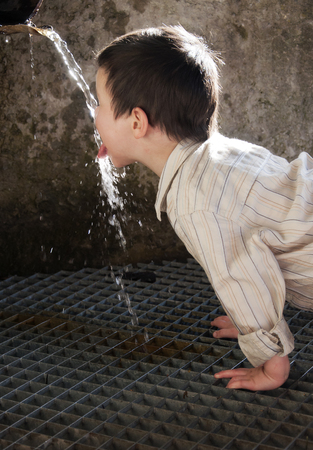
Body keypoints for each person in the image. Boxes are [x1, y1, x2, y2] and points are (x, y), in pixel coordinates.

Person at [94, 25, 313, 391]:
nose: (94, 115)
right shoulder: (223, 154)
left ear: (136, 122)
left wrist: (267, 358)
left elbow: (243, 277)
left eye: (99, 103)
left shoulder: (196, 204)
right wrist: (247, 317)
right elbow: (266, 239)